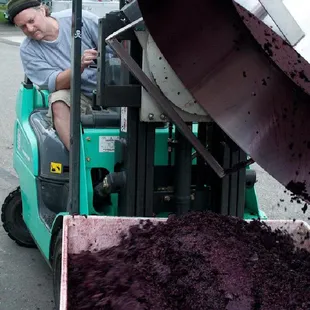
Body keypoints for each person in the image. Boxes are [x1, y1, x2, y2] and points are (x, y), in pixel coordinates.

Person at [7, 0, 111, 150]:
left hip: (112, 86)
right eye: (23, 26)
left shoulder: (82, 21)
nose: (29, 28)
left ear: (42, 10)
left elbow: (117, 48)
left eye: (31, 21)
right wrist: (78, 66)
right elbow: (55, 84)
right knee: (58, 101)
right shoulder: (28, 50)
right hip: (80, 94)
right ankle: (80, 163)